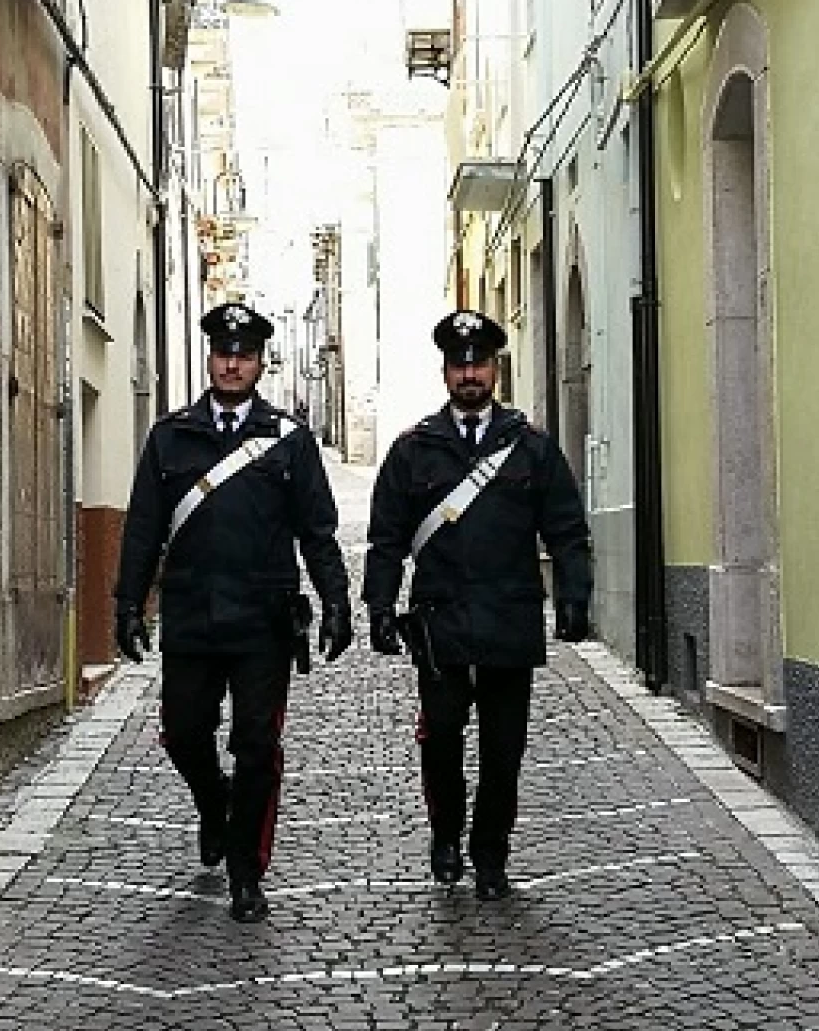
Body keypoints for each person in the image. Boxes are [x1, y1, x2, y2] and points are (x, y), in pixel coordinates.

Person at [114, 301, 354, 923]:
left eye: (244, 355)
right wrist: (127, 604)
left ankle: (247, 870)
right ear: (211, 359)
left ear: (260, 363)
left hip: (263, 621)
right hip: (192, 616)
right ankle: (213, 804)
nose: (232, 363)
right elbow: (143, 530)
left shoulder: (289, 441)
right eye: (223, 353)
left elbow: (317, 530)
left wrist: (335, 603)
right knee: (184, 734)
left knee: (257, 744)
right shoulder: (171, 438)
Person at [362, 309, 594, 901]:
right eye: (460, 365)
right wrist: (381, 607)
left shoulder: (531, 449)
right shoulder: (414, 451)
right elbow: (387, 536)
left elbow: (567, 529)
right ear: (445, 371)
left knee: (503, 747)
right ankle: (446, 837)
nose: (470, 374)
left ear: (496, 370)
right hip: (440, 621)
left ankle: (491, 851)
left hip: (509, 619)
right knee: (440, 738)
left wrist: (574, 597)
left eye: (480, 364)